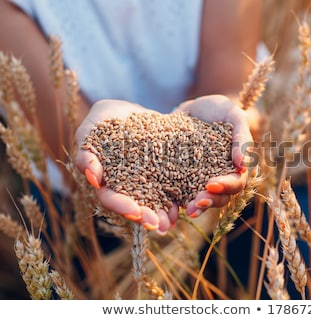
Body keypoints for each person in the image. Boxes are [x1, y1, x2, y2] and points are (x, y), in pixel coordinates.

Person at [0, 0, 261, 234]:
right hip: (77, 210)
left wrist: (230, 123)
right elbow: (65, 137)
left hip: (228, 207)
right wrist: (104, 152)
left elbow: (230, 86)